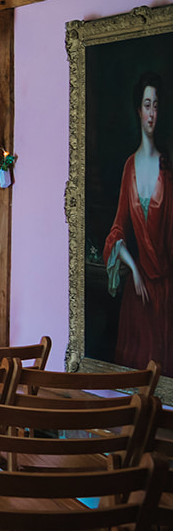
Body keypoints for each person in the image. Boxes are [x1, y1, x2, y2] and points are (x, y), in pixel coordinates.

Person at [104, 71, 171, 371]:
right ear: (138, 109)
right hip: (136, 291)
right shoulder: (129, 166)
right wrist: (133, 267)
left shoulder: (167, 170)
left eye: (156, 105)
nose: (152, 112)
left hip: (166, 292)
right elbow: (118, 228)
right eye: (147, 104)